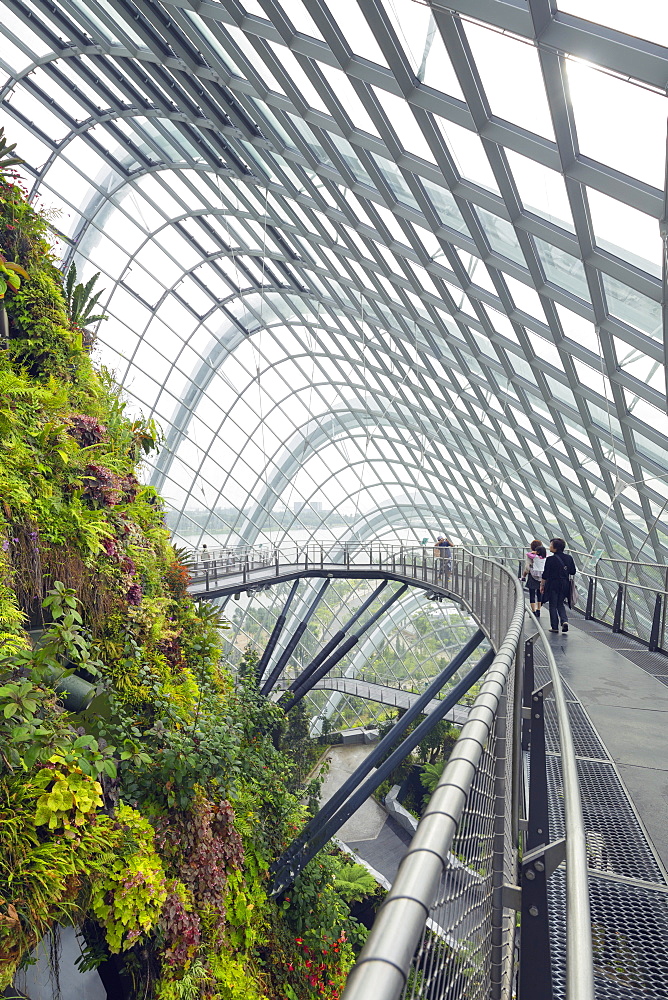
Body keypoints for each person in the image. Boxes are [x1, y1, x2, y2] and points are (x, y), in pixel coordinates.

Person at [540, 538, 577, 634]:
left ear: (555, 547)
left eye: (551, 545)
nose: (549, 547)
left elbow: (545, 574)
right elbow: (573, 571)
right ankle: (564, 620)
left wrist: (542, 585)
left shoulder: (550, 559)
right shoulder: (569, 558)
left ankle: (555, 627)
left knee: (552, 605)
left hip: (553, 584)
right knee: (560, 603)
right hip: (565, 584)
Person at [522, 539, 544, 617]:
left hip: (532, 576)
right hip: (541, 577)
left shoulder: (530, 555)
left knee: (532, 594)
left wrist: (524, 575)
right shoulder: (543, 556)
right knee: (539, 594)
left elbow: (527, 568)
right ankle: (539, 610)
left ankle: (533, 611)